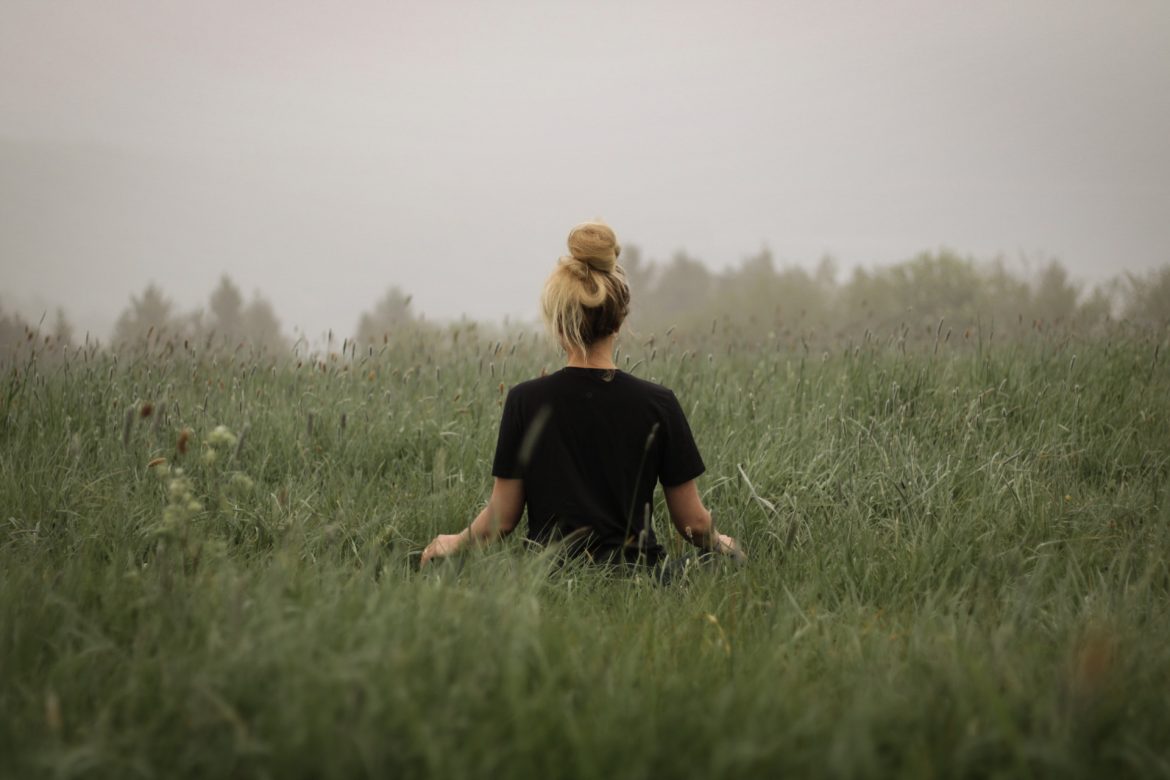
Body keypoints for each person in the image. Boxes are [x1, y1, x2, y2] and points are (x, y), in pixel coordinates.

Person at [420, 220, 743, 571]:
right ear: (620, 319)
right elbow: (693, 525)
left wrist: (455, 540)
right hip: (642, 577)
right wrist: (720, 542)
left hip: (550, 575)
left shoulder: (525, 402)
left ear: (560, 325)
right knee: (725, 563)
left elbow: (502, 520)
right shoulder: (658, 403)